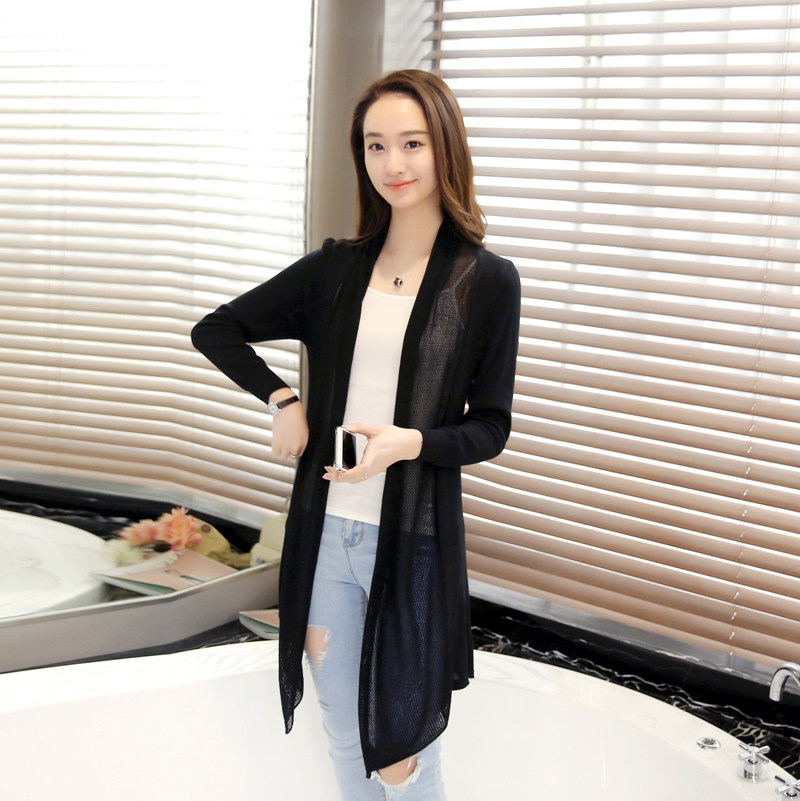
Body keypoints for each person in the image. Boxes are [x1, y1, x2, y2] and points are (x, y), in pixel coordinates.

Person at [192, 69, 521, 800]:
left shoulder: (485, 280)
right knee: (343, 731)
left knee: (402, 751)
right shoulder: (335, 270)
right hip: (324, 535)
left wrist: (411, 443)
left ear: (445, 147)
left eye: (412, 143)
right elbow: (216, 329)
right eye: (376, 145)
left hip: (411, 543)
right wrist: (283, 398)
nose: (393, 163)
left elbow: (491, 426)